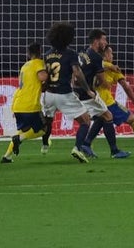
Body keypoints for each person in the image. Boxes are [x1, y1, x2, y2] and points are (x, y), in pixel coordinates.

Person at [41, 22, 96, 164]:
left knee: (48, 120)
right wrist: (87, 90)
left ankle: (45, 144)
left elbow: (43, 75)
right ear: (68, 37)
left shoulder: (46, 55)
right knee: (86, 120)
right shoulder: (70, 54)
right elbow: (77, 73)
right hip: (64, 94)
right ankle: (77, 148)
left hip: (49, 94)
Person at [77, 29, 130, 159]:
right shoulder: (96, 58)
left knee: (101, 117)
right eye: (104, 39)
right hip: (88, 94)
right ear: (97, 40)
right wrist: (109, 82)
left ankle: (86, 144)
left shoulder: (83, 52)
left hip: (76, 91)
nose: (105, 42)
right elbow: (103, 82)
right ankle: (114, 151)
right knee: (108, 116)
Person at [2, 43, 49, 164]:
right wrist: (51, 73)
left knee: (24, 131)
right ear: (40, 52)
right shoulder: (38, 63)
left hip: (18, 104)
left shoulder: (24, 66)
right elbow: (43, 77)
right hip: (30, 105)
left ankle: (7, 156)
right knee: (44, 129)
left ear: (28, 53)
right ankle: (19, 139)